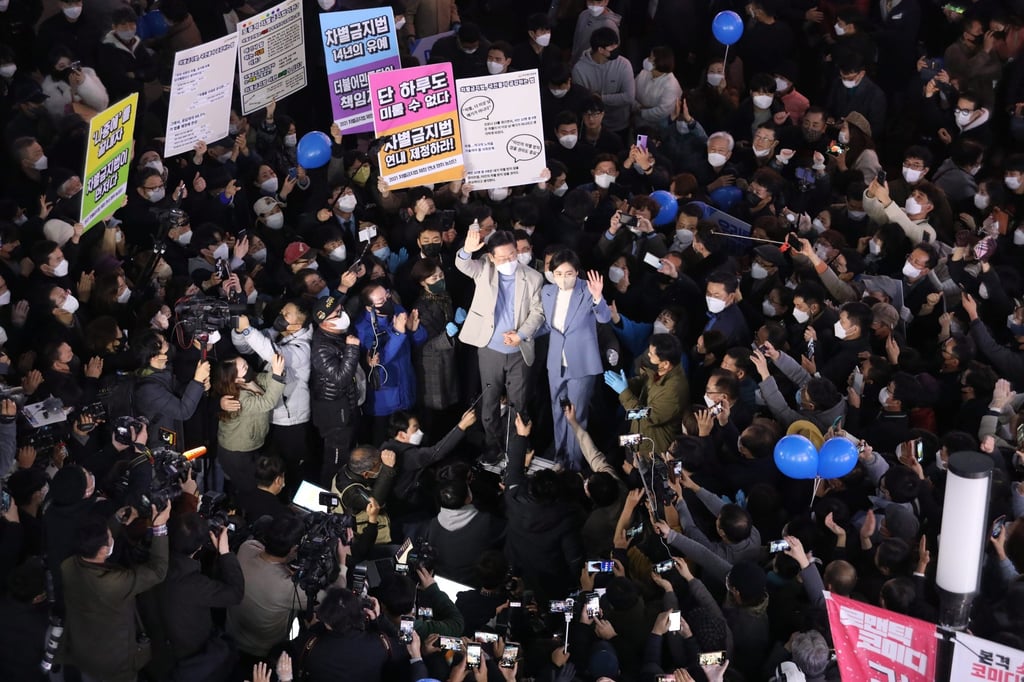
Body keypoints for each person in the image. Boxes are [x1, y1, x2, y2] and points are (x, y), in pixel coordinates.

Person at [455, 227, 544, 457]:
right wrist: (466, 249)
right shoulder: (485, 269)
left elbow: (538, 312)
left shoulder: (533, 277)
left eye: (512, 255)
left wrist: (521, 334)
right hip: (489, 347)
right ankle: (492, 445)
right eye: (502, 258)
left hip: (519, 349)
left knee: (519, 403)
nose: (509, 261)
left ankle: (516, 446)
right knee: (490, 401)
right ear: (492, 257)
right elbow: (463, 265)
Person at [61, 502, 171, 682]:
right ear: (104, 550)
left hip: (83, 651)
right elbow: (158, 571)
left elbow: (95, 543)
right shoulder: (114, 583)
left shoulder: (68, 566)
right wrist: (159, 527)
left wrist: (116, 520)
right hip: (115, 666)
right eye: (110, 536)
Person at [539, 251, 610, 468]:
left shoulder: (587, 290)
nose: (563, 277)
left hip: (581, 363)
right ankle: (560, 457)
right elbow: (545, 325)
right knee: (557, 410)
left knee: (577, 415)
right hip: (556, 362)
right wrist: (521, 335)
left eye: (568, 273)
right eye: (558, 273)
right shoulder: (547, 291)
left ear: (577, 272)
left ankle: (575, 464)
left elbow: (604, 317)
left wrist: (598, 297)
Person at [310, 295, 364, 486]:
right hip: (333, 410)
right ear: (324, 322)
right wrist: (352, 349)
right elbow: (340, 378)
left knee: (348, 449)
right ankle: (329, 496)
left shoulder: (335, 334)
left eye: (340, 310)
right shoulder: (321, 347)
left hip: (345, 404)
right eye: (337, 314)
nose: (342, 315)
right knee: (336, 457)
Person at [603, 333, 687, 455]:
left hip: (651, 448)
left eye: (652, 354)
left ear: (665, 363)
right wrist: (627, 383)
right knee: (616, 450)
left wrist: (624, 391)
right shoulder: (662, 370)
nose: (648, 355)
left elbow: (645, 416)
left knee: (632, 468)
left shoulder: (673, 392)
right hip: (638, 434)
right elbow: (645, 381)